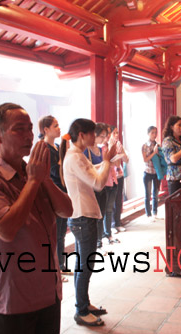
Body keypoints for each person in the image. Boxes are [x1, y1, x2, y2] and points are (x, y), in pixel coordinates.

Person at [0, 103, 73, 334]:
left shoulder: (33, 172)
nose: (28, 136)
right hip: (12, 302)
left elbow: (67, 210)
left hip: (48, 293)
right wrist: (34, 181)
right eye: (19, 129)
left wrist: (42, 178)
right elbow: (6, 230)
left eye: (29, 128)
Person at [63, 118, 117, 327]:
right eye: (92, 133)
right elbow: (98, 182)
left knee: (83, 264)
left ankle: (83, 303)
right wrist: (107, 161)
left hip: (82, 216)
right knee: (86, 265)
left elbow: (92, 173)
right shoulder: (75, 157)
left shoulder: (76, 155)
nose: (95, 137)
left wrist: (105, 162)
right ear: (82, 135)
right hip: (82, 216)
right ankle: (81, 310)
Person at [38, 115, 69, 281]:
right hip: (52, 195)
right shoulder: (43, 148)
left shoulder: (57, 146)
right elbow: (54, 173)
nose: (59, 128)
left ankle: (61, 267)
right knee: (54, 233)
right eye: (55, 126)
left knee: (61, 233)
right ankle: (54, 269)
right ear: (46, 130)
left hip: (62, 192)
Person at [84, 122, 116, 250]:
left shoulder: (100, 149)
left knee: (100, 215)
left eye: (105, 136)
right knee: (93, 218)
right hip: (91, 188)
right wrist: (105, 164)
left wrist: (107, 163)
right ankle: (95, 244)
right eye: (102, 136)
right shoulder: (86, 150)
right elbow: (87, 169)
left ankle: (99, 242)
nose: (104, 139)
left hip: (102, 186)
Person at [110, 125, 129, 233]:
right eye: (114, 133)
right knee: (111, 202)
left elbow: (126, 160)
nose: (117, 135)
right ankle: (112, 225)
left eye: (117, 133)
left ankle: (117, 223)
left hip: (120, 175)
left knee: (118, 200)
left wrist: (122, 152)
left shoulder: (119, 145)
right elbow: (111, 161)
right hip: (111, 177)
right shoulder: (108, 145)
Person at [141, 126, 161, 221]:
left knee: (156, 194)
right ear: (148, 133)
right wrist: (154, 152)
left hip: (156, 172)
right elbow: (145, 159)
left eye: (155, 132)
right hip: (148, 172)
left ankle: (155, 213)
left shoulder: (158, 144)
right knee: (147, 194)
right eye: (152, 132)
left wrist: (159, 152)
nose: (154, 135)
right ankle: (148, 214)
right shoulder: (145, 145)